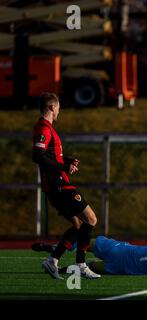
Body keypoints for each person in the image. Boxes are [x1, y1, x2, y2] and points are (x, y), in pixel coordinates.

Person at [32, 92, 100, 280]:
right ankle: (81, 265)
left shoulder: (46, 128)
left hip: (55, 186)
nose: (59, 110)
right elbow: (37, 156)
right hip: (58, 185)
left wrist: (67, 160)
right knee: (91, 219)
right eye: (59, 107)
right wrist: (64, 167)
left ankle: (52, 260)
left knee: (78, 225)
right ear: (52, 107)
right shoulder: (44, 128)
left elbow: (48, 155)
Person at [32, 237, 147, 276]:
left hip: (119, 249)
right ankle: (59, 270)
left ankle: (54, 249)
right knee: (86, 267)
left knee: (83, 244)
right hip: (118, 267)